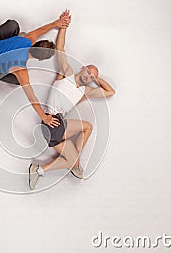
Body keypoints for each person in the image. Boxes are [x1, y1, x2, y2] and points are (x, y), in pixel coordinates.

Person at [28, 10, 116, 190]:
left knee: (88, 127)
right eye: (88, 72)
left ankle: (71, 162)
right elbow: (60, 49)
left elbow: (110, 92)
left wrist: (95, 78)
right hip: (50, 121)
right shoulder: (66, 74)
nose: (88, 76)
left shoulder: (86, 91)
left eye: (91, 76)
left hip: (61, 122)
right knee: (73, 161)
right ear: (82, 68)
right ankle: (39, 169)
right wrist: (63, 26)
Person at [0, 11, 71, 128]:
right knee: (18, 81)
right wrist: (45, 118)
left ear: (35, 43)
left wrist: (57, 23)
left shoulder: (27, 39)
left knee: (13, 25)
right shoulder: (21, 71)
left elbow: (41, 30)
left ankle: (9, 45)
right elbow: (32, 97)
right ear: (40, 60)